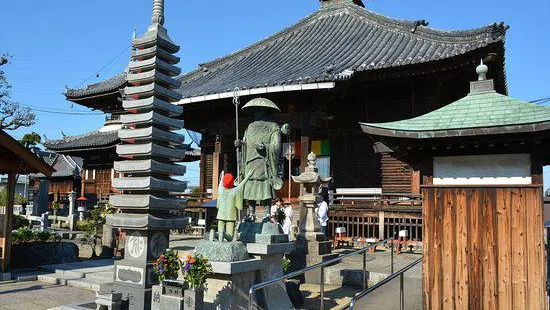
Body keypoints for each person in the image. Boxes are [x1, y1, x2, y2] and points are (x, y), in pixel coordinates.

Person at [235, 98, 284, 222]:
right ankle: (251, 214)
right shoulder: (250, 126)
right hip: (249, 161)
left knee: (265, 188)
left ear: (265, 111)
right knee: (250, 188)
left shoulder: (273, 126)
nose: (257, 113)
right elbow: (246, 143)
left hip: (264, 162)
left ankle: (267, 214)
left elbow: (276, 146)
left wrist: (265, 148)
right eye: (255, 111)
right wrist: (240, 144)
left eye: (259, 110)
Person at [213, 170, 253, 242]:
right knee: (230, 237)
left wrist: (222, 176)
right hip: (230, 216)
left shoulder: (221, 189)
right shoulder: (235, 190)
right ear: (232, 182)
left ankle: (214, 233)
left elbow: (221, 183)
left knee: (219, 237)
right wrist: (248, 176)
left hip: (220, 215)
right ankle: (223, 234)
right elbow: (242, 184)